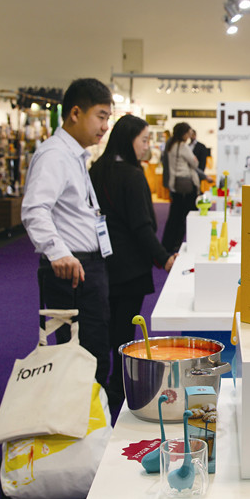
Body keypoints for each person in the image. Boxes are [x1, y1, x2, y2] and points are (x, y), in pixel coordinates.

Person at [21, 78, 114, 388]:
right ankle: (80, 414)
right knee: (82, 356)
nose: (105, 126)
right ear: (75, 113)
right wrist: (58, 251)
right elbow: (35, 209)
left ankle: (90, 413)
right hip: (72, 269)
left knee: (93, 350)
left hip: (89, 266)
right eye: (100, 116)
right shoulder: (55, 155)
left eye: (107, 118)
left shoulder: (74, 155)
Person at [89, 114, 177, 407]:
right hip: (130, 266)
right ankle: (119, 386)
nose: (146, 146)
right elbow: (141, 225)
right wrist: (163, 257)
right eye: (144, 139)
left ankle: (101, 385)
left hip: (103, 261)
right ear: (129, 140)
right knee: (124, 331)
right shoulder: (131, 174)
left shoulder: (97, 169)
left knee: (106, 326)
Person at [161, 122, 199, 253]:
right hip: (186, 186)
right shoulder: (183, 147)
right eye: (188, 132)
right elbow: (194, 163)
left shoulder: (171, 146)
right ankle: (178, 243)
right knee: (187, 216)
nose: (189, 135)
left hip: (176, 186)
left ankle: (168, 244)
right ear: (184, 133)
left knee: (174, 216)